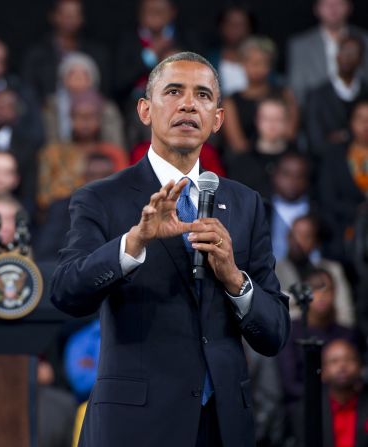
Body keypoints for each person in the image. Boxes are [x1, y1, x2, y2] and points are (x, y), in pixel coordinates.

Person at [50, 52, 290, 446]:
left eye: (202, 95)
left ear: (217, 119)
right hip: (136, 425)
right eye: (174, 91)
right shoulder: (101, 199)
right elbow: (66, 292)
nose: (188, 104)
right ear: (145, 110)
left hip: (224, 425)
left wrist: (234, 279)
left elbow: (274, 333)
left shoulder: (245, 204)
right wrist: (134, 242)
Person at [277, 268, 357, 416]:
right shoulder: (291, 332)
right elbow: (289, 384)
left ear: (335, 293)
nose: (321, 296)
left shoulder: (347, 334)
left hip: (344, 409)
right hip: (302, 409)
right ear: (304, 294)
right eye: (315, 289)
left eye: (327, 290)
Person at [38, 91, 128, 211]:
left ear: (100, 119)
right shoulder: (54, 153)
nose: (85, 122)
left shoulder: (113, 153)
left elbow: (123, 190)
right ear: (70, 119)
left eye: (91, 116)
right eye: (79, 116)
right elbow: (43, 197)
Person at [21, 0, 110, 103]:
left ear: (82, 19)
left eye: (75, 15)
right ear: (53, 16)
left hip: (87, 111)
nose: (70, 20)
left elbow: (104, 91)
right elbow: (28, 91)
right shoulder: (37, 55)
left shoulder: (97, 54)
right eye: (66, 15)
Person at [221, 37, 298, 154]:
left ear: (270, 65)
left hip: (283, 157)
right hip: (247, 161)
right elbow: (237, 144)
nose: (257, 68)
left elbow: (290, 133)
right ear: (242, 63)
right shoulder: (230, 102)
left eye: (263, 62)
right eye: (252, 62)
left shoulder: (284, 94)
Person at [276, 215, 355, 328]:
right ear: (287, 238)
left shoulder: (332, 269)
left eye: (306, 236)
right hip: (290, 338)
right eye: (294, 235)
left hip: (329, 335)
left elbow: (345, 312)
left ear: (316, 242)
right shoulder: (273, 271)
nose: (298, 241)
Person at [35, 152, 116, 262]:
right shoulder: (61, 208)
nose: (98, 180)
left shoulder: (125, 207)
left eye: (105, 175)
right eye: (92, 175)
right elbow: (45, 253)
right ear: (83, 177)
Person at [287, 0, 368, 104]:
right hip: (315, 112)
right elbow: (296, 89)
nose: (332, 9)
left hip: (359, 111)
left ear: (348, 7)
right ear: (317, 8)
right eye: (326, 4)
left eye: (339, 3)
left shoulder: (365, 40)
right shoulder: (299, 46)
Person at [291, 339, 368, 447]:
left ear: (360, 367)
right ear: (323, 371)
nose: (342, 366)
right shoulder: (307, 410)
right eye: (334, 361)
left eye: (349, 359)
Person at [305, 33, 368, 163]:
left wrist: (343, 136)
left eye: (354, 52)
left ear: (361, 59)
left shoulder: (366, 91)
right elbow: (316, 143)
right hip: (329, 165)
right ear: (336, 55)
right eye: (344, 51)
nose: (348, 57)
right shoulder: (317, 94)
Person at [319, 99, 368, 264]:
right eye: (360, 118)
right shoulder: (334, 155)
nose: (365, 125)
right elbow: (327, 199)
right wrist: (358, 211)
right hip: (342, 238)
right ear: (350, 121)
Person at [41, 52, 124, 148]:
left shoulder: (106, 107)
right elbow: (50, 140)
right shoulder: (52, 106)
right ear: (63, 79)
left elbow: (115, 142)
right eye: (72, 74)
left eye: (84, 75)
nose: (78, 79)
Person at [226, 98, 296, 198]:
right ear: (257, 121)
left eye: (278, 119)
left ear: (286, 122)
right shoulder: (241, 162)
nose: (272, 124)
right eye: (266, 118)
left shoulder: (299, 160)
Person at [268, 152, 312, 262]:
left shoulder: (316, 211)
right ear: (275, 176)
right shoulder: (261, 209)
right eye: (286, 174)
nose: (293, 181)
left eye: (299, 176)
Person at [205, 6, 254, 97]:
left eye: (240, 24)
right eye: (230, 23)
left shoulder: (259, 59)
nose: (234, 28)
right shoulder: (210, 60)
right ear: (221, 27)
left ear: (249, 28)